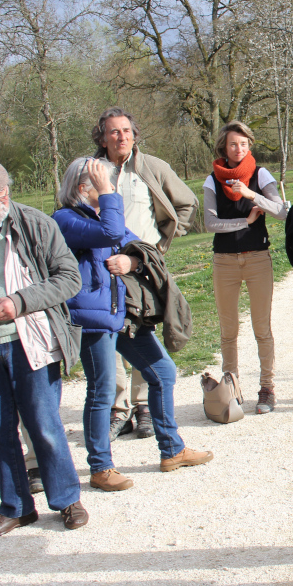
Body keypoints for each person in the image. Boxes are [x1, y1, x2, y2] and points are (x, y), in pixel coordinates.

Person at [53, 157, 213, 490]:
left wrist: (132, 259)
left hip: (121, 315)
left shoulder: (102, 214)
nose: (113, 193)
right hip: (93, 320)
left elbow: (141, 246)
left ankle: (172, 449)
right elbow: (111, 232)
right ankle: (101, 467)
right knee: (101, 392)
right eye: (105, 185)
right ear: (85, 188)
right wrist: (108, 193)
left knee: (163, 372)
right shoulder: (65, 220)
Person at [91, 107, 199, 440]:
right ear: (103, 137)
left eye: (126, 131)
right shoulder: (92, 170)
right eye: (113, 131)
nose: (121, 137)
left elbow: (187, 203)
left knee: (141, 330)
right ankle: (119, 409)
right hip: (103, 267)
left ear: (134, 135)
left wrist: (160, 246)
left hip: (142, 266)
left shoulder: (152, 167)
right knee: (110, 336)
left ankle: (143, 407)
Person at [0, 160, 89, 536]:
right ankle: (16, 506)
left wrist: (18, 302)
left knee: (44, 426)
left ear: (3, 195)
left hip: (29, 340)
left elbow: (70, 278)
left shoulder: (36, 224)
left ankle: (68, 499)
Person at [203, 121, 288, 414]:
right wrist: (246, 222)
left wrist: (252, 195)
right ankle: (232, 387)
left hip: (257, 259)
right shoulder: (212, 180)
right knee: (228, 331)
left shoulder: (260, 174)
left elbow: (280, 211)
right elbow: (210, 223)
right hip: (224, 261)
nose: (238, 149)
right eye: (232, 144)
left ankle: (267, 388)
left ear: (249, 146)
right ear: (223, 148)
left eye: (243, 144)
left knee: (261, 328)